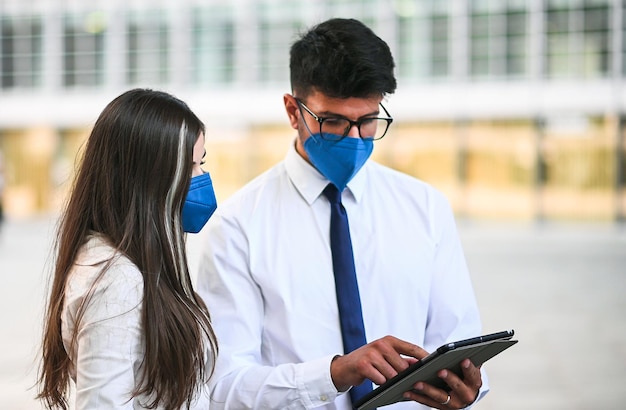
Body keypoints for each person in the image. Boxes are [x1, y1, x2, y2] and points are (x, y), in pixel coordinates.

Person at [197, 18, 487, 410]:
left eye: (367, 121)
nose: (353, 138)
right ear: (292, 111)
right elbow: (224, 386)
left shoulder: (426, 208)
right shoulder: (237, 226)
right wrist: (333, 375)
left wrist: (466, 387)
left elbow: (458, 343)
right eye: (333, 121)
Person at [37, 88, 219, 409]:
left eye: (201, 163)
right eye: (189, 167)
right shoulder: (116, 281)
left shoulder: (133, 262)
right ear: (150, 179)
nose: (202, 178)